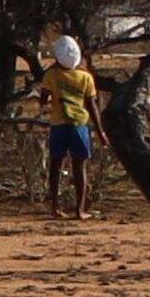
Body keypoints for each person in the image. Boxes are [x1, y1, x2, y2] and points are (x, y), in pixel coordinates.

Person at [37, 34, 102, 221]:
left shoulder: (51, 75)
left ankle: (55, 207)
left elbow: (43, 99)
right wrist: (100, 131)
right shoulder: (86, 77)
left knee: (56, 165)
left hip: (58, 125)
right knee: (79, 167)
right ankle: (80, 210)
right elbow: (92, 106)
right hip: (80, 125)